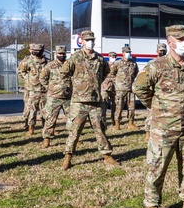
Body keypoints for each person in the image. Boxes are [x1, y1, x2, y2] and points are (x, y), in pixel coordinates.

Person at [134, 25, 184, 208]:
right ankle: (151, 206)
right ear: (170, 42)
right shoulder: (156, 66)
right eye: (180, 39)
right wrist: (157, 107)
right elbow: (139, 88)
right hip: (163, 128)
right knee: (157, 167)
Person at [58, 31, 118, 170]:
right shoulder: (75, 58)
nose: (90, 42)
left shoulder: (100, 59)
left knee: (100, 129)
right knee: (75, 130)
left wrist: (98, 87)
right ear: (82, 41)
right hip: (79, 102)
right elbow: (64, 74)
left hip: (96, 101)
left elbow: (106, 74)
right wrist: (73, 87)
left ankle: (107, 155)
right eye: (87, 40)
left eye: (92, 40)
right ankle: (68, 156)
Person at [40, 45, 71, 148]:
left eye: (63, 54)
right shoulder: (50, 65)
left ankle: (74, 138)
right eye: (59, 54)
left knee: (72, 119)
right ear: (56, 54)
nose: (61, 55)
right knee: (50, 119)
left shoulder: (69, 64)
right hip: (54, 97)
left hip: (68, 96)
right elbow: (43, 78)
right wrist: (50, 88)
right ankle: (47, 139)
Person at [18, 43, 48, 135]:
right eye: (35, 51)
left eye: (38, 51)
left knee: (45, 110)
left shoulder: (47, 62)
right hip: (32, 89)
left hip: (44, 90)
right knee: (32, 110)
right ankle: (31, 127)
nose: (36, 52)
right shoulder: (27, 61)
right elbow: (20, 71)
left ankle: (46, 127)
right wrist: (28, 78)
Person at [112, 46, 139, 130]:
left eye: (129, 52)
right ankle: (117, 124)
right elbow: (112, 74)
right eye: (127, 52)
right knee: (119, 107)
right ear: (123, 53)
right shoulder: (118, 63)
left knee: (132, 107)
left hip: (130, 89)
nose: (128, 54)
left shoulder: (133, 63)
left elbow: (135, 73)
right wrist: (116, 83)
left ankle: (131, 123)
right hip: (120, 89)